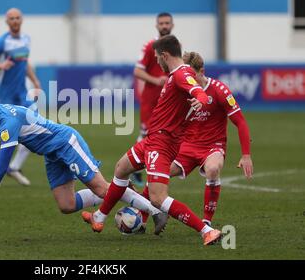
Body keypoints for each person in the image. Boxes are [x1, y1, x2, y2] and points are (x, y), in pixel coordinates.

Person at [0, 99, 166, 231]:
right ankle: (122, 191)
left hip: (65, 143)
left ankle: (154, 210)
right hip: (52, 154)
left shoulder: (7, 123)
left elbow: (2, 165)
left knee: (100, 188)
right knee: (66, 205)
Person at [82, 35, 222, 245]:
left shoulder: (182, 74)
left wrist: (200, 100)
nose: (156, 62)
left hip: (163, 143)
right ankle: (99, 217)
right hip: (152, 139)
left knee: (158, 198)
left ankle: (206, 231)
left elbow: (198, 92)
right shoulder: (176, 74)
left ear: (165, 56)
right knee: (121, 168)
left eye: (157, 58)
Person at [170, 52, 253, 226]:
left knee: (213, 169)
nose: (190, 80)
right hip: (186, 145)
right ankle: (145, 216)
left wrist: (246, 155)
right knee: (160, 171)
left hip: (212, 146)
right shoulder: (182, 90)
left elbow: (240, 122)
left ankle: (206, 221)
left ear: (202, 71)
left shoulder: (219, 90)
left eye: (193, 75)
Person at [0, 8, 41, 186]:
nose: (15, 21)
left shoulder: (26, 40)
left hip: (22, 93)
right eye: (11, 19)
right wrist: (0, 65)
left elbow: (25, 63)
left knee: (35, 127)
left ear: (21, 20)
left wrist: (35, 82)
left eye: (17, 18)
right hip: (5, 95)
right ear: (7, 22)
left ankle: (14, 167)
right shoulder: (1, 42)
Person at [131, 12, 172, 187]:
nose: (164, 26)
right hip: (151, 100)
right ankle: (135, 168)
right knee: (146, 134)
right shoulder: (151, 46)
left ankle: (156, 169)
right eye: (161, 23)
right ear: (156, 25)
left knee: (166, 134)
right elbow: (137, 71)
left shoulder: (175, 46)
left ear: (172, 25)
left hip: (168, 100)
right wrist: (157, 80)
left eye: (167, 23)